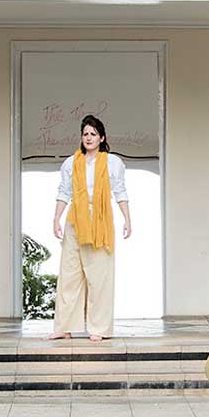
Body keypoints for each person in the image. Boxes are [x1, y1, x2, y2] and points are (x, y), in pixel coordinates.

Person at [47, 115, 132, 342]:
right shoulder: (71, 163)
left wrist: (127, 219)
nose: (89, 137)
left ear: (102, 137)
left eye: (93, 134)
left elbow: (120, 191)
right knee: (69, 274)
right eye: (85, 134)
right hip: (76, 220)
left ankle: (99, 328)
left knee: (100, 276)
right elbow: (64, 192)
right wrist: (56, 219)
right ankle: (64, 327)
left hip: (100, 221)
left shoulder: (113, 163)